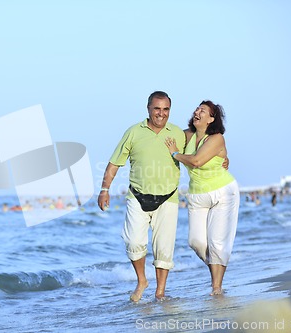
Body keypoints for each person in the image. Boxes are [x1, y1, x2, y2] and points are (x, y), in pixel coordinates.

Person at [98, 91, 185, 302]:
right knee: (133, 241)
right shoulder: (134, 132)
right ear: (148, 109)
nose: (161, 114)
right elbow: (114, 162)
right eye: (157, 108)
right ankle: (142, 280)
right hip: (138, 195)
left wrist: (221, 159)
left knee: (164, 249)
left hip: (168, 198)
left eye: (165, 109)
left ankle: (160, 292)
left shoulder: (179, 134)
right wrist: (104, 189)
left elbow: (195, 157)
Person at [165, 100, 239, 296]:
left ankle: (216, 288)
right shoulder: (187, 135)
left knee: (217, 243)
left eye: (203, 110)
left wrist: (175, 154)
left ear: (211, 119)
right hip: (197, 195)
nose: (197, 112)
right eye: (197, 108)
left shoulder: (216, 137)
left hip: (223, 192)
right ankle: (217, 266)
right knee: (196, 242)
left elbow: (196, 161)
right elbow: (165, 136)